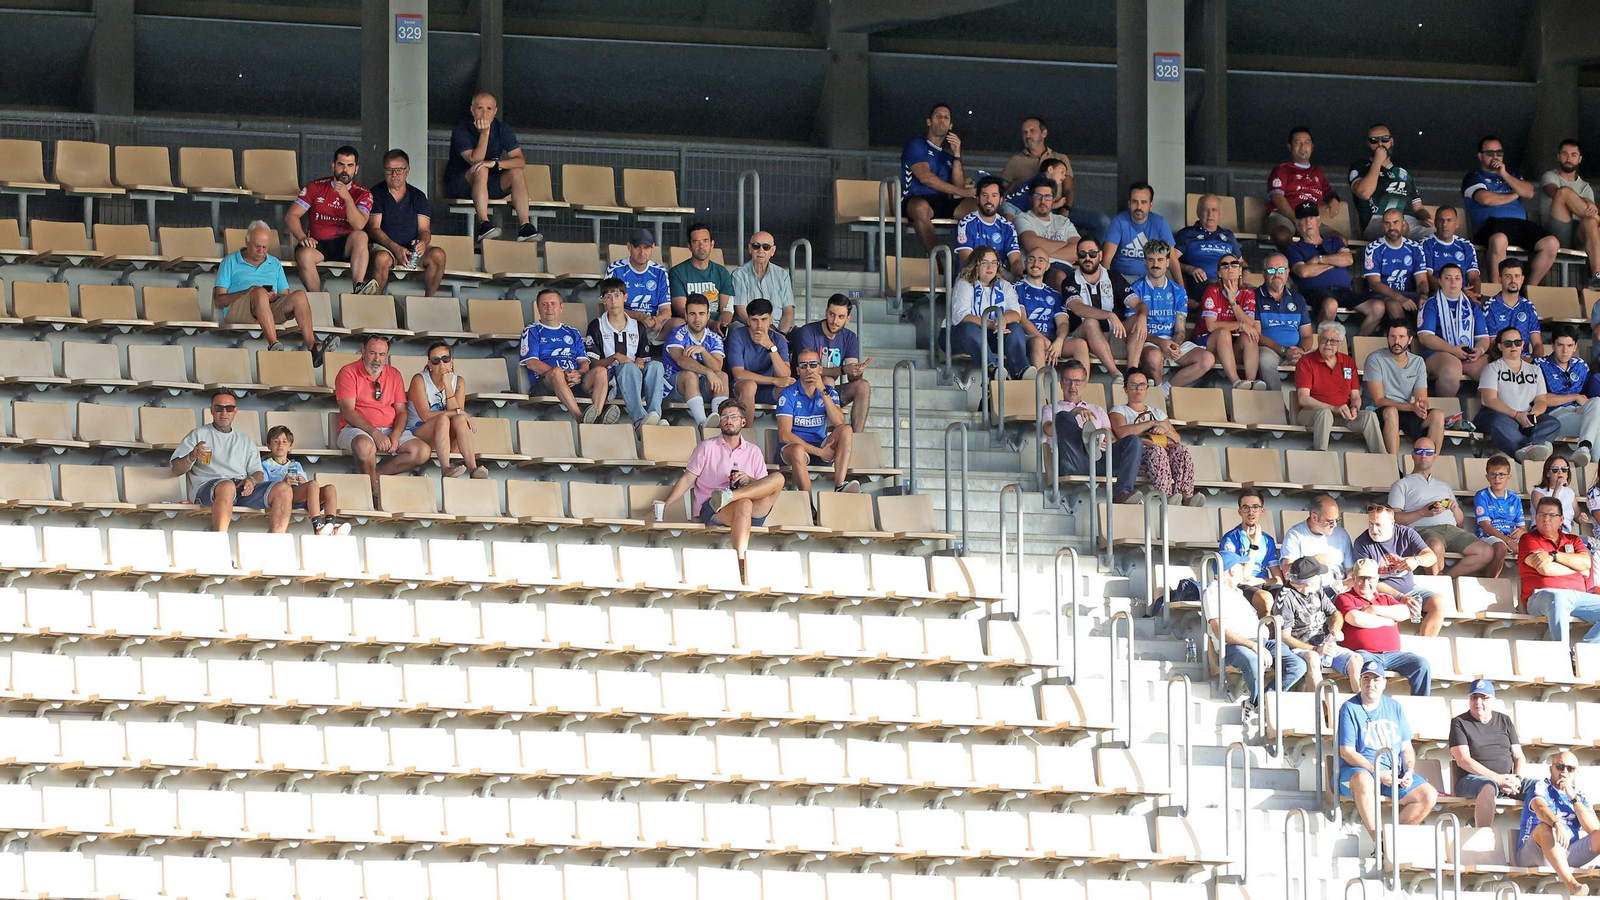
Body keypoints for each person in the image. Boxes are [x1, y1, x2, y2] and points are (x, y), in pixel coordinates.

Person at [660, 399, 785, 580]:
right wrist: (667, 502)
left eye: (734, 416)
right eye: (724, 416)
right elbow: (688, 478)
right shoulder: (706, 447)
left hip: (749, 506)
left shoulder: (754, 451)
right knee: (743, 504)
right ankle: (741, 564)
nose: (728, 420)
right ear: (720, 421)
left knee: (778, 478)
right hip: (713, 507)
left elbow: (764, 485)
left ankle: (730, 495)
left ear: (743, 421)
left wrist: (749, 480)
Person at [1338, 657, 1438, 844]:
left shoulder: (1394, 707)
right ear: (1360, 682)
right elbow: (1346, 751)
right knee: (1363, 779)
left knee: (1428, 795)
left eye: (1376, 680)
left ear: (1384, 683)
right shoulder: (1349, 708)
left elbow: (1406, 748)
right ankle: (1378, 841)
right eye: (1366, 679)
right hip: (1359, 772)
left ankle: (1390, 842)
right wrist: (1377, 771)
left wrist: (1409, 770)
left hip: (1392, 773)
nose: (1371, 684)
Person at [212, 220, 335, 365]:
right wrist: (247, 292)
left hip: (269, 308)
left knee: (299, 296)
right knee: (259, 292)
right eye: (257, 246)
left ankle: (313, 347)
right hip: (240, 309)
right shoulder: (230, 261)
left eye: (265, 247)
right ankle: (274, 344)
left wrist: (274, 297)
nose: (261, 251)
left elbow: (285, 294)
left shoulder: (275, 263)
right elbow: (218, 300)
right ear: (247, 241)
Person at [171, 390, 290, 534]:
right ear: (212, 411)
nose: (224, 412)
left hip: (240, 488)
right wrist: (191, 456)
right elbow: (176, 469)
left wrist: (251, 481)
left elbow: (258, 472)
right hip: (207, 488)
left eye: (229, 408)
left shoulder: (245, 440)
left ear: (235, 411)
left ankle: (275, 543)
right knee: (227, 486)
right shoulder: (198, 434)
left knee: (283, 489)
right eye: (219, 408)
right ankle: (220, 543)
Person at [1208, 552, 1304, 718]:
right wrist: (1253, 645)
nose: (1243, 570)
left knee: (1297, 665)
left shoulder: (1237, 592)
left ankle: (1259, 703)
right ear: (1232, 570)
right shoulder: (1213, 592)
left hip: (1262, 641)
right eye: (1240, 566)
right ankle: (1261, 706)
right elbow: (1220, 631)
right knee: (1254, 661)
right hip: (1235, 646)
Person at [334, 336, 431, 497]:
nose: (377, 359)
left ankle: (374, 479)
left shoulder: (394, 374)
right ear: (363, 352)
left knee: (422, 451)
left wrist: (395, 435)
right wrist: (375, 433)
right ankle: (373, 491)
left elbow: (401, 411)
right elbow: (348, 412)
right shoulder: (348, 372)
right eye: (372, 353)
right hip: (356, 429)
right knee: (364, 447)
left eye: (382, 354)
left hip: (390, 429)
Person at [1392, 437, 1502, 578]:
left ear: (1435, 456)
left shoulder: (1444, 485)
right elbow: (1394, 519)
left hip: (1453, 531)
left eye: (1429, 452)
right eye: (1419, 451)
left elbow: (1460, 523)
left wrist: (1455, 508)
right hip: (1423, 530)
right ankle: (1437, 586)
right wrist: (1422, 512)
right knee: (1435, 546)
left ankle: (1445, 579)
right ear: (1413, 455)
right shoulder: (1402, 484)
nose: (1424, 455)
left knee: (1486, 551)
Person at [1464, 135, 1560, 289]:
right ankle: (1497, 292)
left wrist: (1504, 174)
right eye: (1490, 153)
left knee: (1551, 243)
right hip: (1489, 225)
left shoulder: (1512, 175)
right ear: (1480, 156)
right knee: (1499, 239)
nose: (1495, 157)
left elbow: (1528, 192)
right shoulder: (1473, 177)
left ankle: (1529, 290)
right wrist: (1514, 195)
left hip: (1518, 225)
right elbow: (1486, 199)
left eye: (1499, 153)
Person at [444, 92, 541, 243]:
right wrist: (485, 133)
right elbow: (475, 160)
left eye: (489, 109)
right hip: (460, 183)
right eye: (480, 108)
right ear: (472, 110)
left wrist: (497, 164)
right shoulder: (461, 129)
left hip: (488, 182)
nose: (484, 113)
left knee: (516, 172)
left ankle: (525, 226)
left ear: (495, 111)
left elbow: (520, 161)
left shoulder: (503, 129)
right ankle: (483, 223)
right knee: (481, 168)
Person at [1043, 359, 1142, 503]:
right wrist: (1074, 412)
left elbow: (1111, 438)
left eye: (1077, 381)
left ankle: (1122, 493)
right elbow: (1048, 430)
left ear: (1084, 383)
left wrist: (1103, 439)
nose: (1072, 386)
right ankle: (1084, 441)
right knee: (1063, 418)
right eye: (1068, 380)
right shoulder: (1051, 408)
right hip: (1073, 461)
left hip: (1099, 460)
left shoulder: (1097, 409)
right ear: (1061, 383)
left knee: (1133, 440)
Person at [997, 116, 1108, 241]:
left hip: (1058, 208)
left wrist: (1066, 209)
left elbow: (1069, 189)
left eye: (1032, 131)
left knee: (1102, 221)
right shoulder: (1015, 161)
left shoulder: (1060, 159)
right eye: (1024, 132)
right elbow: (999, 189)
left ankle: (1090, 257)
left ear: (1044, 133)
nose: (1027, 135)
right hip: (1028, 211)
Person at [1334, 560, 1434, 697]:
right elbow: (1356, 619)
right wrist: (1388, 620)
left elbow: (1405, 612)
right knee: (1362, 666)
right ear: (1354, 578)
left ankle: (1420, 704)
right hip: (1363, 653)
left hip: (1393, 655)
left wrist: (1373, 609)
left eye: (1369, 579)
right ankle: (1365, 705)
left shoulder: (1386, 598)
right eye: (1361, 579)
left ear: (1377, 579)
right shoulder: (1344, 598)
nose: (1365, 583)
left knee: (1421, 665)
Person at [285, 145, 375, 295]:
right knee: (303, 255)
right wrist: (302, 237)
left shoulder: (363, 193)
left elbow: (358, 224)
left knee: (361, 236)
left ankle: (358, 287)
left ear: (356, 169)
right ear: (333, 166)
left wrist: (346, 197)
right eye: (341, 164)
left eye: (350, 165)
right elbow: (291, 216)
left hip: (345, 245)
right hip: (319, 243)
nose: (345, 170)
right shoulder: (315, 186)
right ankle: (320, 299)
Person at [1352, 504, 1447, 639]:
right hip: (1380, 594)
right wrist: (1400, 597)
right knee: (1394, 611)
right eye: (1371, 524)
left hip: (1410, 590)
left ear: (1392, 523)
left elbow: (1431, 557)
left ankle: (1427, 645)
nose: (1374, 529)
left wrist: (1416, 560)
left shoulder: (1406, 533)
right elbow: (1368, 582)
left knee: (1439, 603)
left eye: (1379, 525)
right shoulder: (1362, 543)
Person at [1273, 556, 1364, 693]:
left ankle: (1360, 705)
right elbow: (1284, 637)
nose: (1320, 578)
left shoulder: (1317, 590)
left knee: (1356, 659)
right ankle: (1320, 710)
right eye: (1318, 575)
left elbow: (1335, 614)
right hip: (1301, 648)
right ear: (1308, 582)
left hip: (1326, 644)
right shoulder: (1286, 597)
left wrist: (1335, 628)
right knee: (1313, 657)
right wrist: (1315, 649)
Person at [1130, 239, 1212, 391]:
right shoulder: (1135, 289)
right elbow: (1133, 330)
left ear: (1168, 262)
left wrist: (1174, 344)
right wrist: (1161, 343)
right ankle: (1159, 393)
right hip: (1147, 341)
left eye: (1160, 259)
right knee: (1154, 357)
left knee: (1207, 359)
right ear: (1145, 262)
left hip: (1172, 341)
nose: (1156, 264)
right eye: (1151, 259)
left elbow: (1180, 329)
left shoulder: (1179, 291)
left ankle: (1165, 391)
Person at [1295, 320, 1385, 454]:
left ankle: (1382, 458)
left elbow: (1355, 396)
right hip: (1311, 413)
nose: (1328, 344)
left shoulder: (1348, 361)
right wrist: (1332, 408)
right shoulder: (1306, 362)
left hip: (1342, 414)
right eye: (1324, 339)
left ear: (1340, 342)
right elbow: (1303, 399)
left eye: (1333, 341)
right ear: (1318, 339)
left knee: (1369, 416)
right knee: (1325, 414)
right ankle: (1321, 455)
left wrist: (1354, 408)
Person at [1110, 368, 1197, 506]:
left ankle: (1186, 495)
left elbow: (1176, 438)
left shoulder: (1157, 412)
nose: (1138, 389)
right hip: (1137, 459)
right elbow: (1122, 433)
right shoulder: (1119, 410)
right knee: (1157, 450)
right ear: (1126, 389)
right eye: (1133, 385)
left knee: (1182, 450)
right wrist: (1151, 424)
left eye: (1142, 385)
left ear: (1147, 388)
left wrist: (1164, 429)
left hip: (1162, 454)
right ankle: (1166, 495)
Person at [586, 276, 665, 428]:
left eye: (617, 295)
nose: (613, 301)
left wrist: (641, 360)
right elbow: (594, 363)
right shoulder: (597, 325)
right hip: (610, 382)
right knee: (628, 367)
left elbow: (644, 356)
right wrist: (615, 357)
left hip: (636, 380)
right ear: (603, 300)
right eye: (608, 297)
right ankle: (639, 419)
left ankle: (655, 415)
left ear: (625, 297)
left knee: (656, 365)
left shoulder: (637, 326)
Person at [777, 348, 858, 497]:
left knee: (846, 429)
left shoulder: (828, 392)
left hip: (820, 446)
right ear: (798, 370)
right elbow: (784, 435)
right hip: (793, 449)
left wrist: (822, 390)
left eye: (813, 364)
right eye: (803, 365)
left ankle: (839, 484)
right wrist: (820, 452)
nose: (808, 369)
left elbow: (839, 421)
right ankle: (808, 505)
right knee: (797, 450)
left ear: (820, 369)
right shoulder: (788, 394)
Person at [1450, 678, 1530, 828]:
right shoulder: (1459, 722)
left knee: (1540, 788)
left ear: (1493, 700)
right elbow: (1463, 760)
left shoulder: (1504, 720)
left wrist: (1517, 779)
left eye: (1484, 697)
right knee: (1488, 787)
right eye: (1474, 697)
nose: (1478, 702)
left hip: (1508, 780)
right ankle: (1483, 836)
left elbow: (1519, 756)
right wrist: (1497, 779)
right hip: (1472, 780)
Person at [1519, 495, 1600, 644]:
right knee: (1558, 598)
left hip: (1577, 597)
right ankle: (1562, 653)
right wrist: (1576, 568)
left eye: (1552, 515)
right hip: (1540, 597)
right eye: (1542, 514)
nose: (1546, 518)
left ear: (1561, 519)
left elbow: (1586, 563)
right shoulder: (1528, 539)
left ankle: (1580, 653)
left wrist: (1554, 556)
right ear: (1536, 517)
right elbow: (1546, 569)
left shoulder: (1573, 540)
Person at [519, 288, 608, 423]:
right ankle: (580, 417)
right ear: (538, 308)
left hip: (574, 381)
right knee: (556, 372)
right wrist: (560, 374)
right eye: (544, 304)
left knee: (601, 371)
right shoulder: (532, 330)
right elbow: (531, 362)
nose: (549, 308)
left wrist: (579, 373)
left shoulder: (572, 332)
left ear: (561, 307)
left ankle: (596, 417)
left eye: (553, 304)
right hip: (546, 383)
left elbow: (584, 361)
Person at [1063, 238, 1146, 381]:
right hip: (1083, 337)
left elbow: (1139, 304)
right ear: (1077, 257)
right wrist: (1110, 315)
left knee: (1137, 319)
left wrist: (1143, 316)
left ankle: (1132, 372)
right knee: (1091, 322)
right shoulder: (1070, 281)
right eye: (1082, 255)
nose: (1087, 258)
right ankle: (1115, 373)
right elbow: (1078, 308)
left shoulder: (1114, 278)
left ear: (1100, 255)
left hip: (1113, 336)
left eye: (1092, 254)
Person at [1516, 751, 1600, 893]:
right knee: (1545, 827)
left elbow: (1594, 829)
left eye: (1570, 769)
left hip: (1568, 852)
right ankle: (1571, 884)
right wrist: (1556, 824)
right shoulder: (1541, 787)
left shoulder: (1579, 796)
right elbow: (1540, 807)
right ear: (1551, 769)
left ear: (1576, 772)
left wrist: (1572, 797)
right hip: (1534, 853)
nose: (1564, 772)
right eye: (1560, 767)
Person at [366, 149, 445, 297]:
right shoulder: (375, 193)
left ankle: (428, 300)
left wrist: (422, 243)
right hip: (385, 247)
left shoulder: (418, 196)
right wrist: (395, 248)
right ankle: (374, 303)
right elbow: (374, 229)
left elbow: (425, 230)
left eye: (399, 170)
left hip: (411, 249)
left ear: (407, 171)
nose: (394, 174)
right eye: (389, 170)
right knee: (381, 258)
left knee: (438, 255)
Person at [900, 102, 975, 254]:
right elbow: (925, 178)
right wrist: (964, 192)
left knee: (975, 206)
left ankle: (969, 261)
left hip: (942, 202)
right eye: (938, 116)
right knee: (920, 208)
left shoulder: (948, 156)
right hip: (914, 199)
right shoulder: (916, 144)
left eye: (946, 118)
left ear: (950, 125)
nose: (942, 120)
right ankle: (936, 262)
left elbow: (959, 184)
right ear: (929, 121)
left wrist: (957, 155)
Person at [406, 340, 488, 479]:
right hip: (419, 434)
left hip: (446, 438)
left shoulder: (458, 381)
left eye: (445, 359)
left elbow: (458, 414)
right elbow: (426, 416)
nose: (442, 364)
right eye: (436, 360)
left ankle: (473, 469)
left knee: (459, 419)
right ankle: (446, 468)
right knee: (444, 418)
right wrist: (458, 411)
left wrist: (448, 386)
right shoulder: (419, 379)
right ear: (430, 364)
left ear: (451, 361)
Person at [1475, 325, 1558, 461]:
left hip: (1526, 417)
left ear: (1522, 345)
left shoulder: (1535, 370)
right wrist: (1516, 415)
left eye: (1517, 342)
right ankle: (1528, 456)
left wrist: (1532, 415)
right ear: (1500, 346)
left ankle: (1529, 447)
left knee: (1552, 422)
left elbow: (1541, 400)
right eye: (1508, 343)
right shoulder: (1492, 368)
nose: (1513, 346)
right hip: (1497, 415)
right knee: (1500, 423)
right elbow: (1490, 400)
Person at [792, 294, 873, 433]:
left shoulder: (850, 337)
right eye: (832, 314)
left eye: (841, 317)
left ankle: (856, 437)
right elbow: (809, 371)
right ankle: (826, 425)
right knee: (827, 379)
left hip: (830, 394)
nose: (835, 321)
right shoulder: (808, 332)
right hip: (804, 390)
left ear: (848, 319)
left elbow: (852, 376)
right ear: (826, 313)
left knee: (863, 386)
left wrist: (856, 371)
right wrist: (842, 370)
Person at [1365, 319, 1445, 454]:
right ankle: (1393, 465)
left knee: (1438, 415)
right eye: (1392, 336)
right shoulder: (1375, 359)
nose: (1396, 341)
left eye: (1401, 337)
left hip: (1407, 411)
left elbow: (1423, 398)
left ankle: (1430, 465)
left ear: (1409, 340)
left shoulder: (1418, 362)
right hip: (1380, 412)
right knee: (1391, 412)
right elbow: (1379, 400)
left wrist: (1421, 406)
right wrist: (1411, 407)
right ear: (1387, 338)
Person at [950, 245, 1027, 380]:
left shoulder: (1004, 285)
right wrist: (991, 324)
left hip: (993, 335)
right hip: (961, 337)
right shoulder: (964, 283)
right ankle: (993, 369)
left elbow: (1016, 313)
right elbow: (961, 316)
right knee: (970, 329)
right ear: (975, 264)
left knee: (1015, 327)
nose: (990, 267)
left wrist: (1004, 320)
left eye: (994, 263)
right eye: (984, 263)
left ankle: (1021, 371)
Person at [1416, 263, 1492, 398]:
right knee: (1451, 371)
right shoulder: (1431, 304)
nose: (1453, 282)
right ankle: (1444, 415)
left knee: (1493, 371)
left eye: (1457, 278)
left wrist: (1479, 350)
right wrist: (1453, 349)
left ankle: (1480, 414)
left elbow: (1483, 338)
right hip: (1437, 353)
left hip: (1466, 355)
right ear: (1439, 281)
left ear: (1462, 281)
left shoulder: (1472, 306)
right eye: (1448, 278)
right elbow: (1425, 337)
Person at [1348, 123, 1433, 241]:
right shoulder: (1360, 167)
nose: (1380, 144)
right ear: (1368, 144)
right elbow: (1364, 193)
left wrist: (1425, 216)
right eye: (1374, 141)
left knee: (1437, 236)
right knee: (1401, 227)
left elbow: (1418, 208)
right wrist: (1378, 160)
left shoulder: (1404, 173)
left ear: (1392, 141)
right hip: (1378, 220)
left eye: (1385, 139)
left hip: (1410, 220)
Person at [1285, 202, 1365, 326]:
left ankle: (1354, 344)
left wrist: (1318, 259)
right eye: (1303, 219)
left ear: (1319, 220)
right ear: (1297, 223)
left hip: (1344, 291)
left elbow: (1348, 260)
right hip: (1316, 292)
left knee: (1377, 307)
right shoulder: (1294, 248)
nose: (1308, 222)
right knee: (1331, 304)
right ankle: (1321, 342)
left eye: (1311, 218)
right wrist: (1335, 262)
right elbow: (1304, 271)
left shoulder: (1335, 241)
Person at [262, 424, 348, 536]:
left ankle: (331, 526)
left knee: (330, 489)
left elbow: (307, 484)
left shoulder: (295, 464)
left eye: (284, 442)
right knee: (312, 484)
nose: (280, 445)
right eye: (276, 441)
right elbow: (264, 488)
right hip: (285, 498)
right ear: (269, 445)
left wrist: (303, 481)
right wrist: (283, 483)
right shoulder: (265, 465)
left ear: (290, 447)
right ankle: (317, 526)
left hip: (301, 495)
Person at [1265, 126, 1342, 250]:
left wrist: (1334, 199)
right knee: (1282, 235)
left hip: (1310, 219)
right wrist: (1296, 219)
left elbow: (1329, 191)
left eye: (1307, 142)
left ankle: (1320, 266)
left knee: (1339, 241)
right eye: (1298, 142)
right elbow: (1277, 197)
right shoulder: (1282, 169)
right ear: (1290, 147)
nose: (1303, 147)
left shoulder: (1317, 172)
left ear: (1312, 147)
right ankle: (1291, 265)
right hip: (1285, 216)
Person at [1014, 247, 1084, 378]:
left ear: (1047, 266)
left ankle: (1082, 394)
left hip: (1052, 339)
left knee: (1080, 345)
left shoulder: (1054, 294)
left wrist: (1059, 340)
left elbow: (1063, 322)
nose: (1036, 264)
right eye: (1031, 259)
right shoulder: (1016, 288)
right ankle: (1041, 395)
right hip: (1028, 337)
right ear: (1025, 263)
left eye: (1041, 261)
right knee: (1038, 342)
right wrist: (1043, 339)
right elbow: (1022, 319)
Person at [1540, 138, 1600, 291]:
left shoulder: (1585, 187)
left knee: (1591, 222)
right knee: (1564, 193)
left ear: (1579, 159)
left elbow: (1590, 216)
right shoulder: (1550, 176)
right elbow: (1555, 192)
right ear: (1558, 156)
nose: (1568, 158)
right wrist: (1587, 202)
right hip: (1556, 232)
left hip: (1579, 235)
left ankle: (1597, 276)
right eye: (1565, 154)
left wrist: (1588, 205)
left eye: (1573, 155)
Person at [1197, 251, 1262, 391]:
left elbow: (1250, 324)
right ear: (1219, 273)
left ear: (1240, 270)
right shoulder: (1212, 290)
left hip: (1232, 346)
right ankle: (1236, 382)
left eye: (1234, 264)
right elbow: (1211, 326)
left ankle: (1251, 382)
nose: (1230, 268)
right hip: (1209, 343)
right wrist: (1240, 325)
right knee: (1223, 333)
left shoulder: (1248, 292)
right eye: (1224, 265)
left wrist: (1233, 300)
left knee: (1250, 335)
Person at [663, 293, 729, 427]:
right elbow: (681, 361)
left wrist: (703, 351)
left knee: (722, 376)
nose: (697, 318)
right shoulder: (677, 333)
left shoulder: (714, 338)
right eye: (692, 314)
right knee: (689, 375)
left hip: (700, 387)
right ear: (686, 315)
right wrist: (708, 372)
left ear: (708, 315)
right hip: (673, 387)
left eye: (701, 314)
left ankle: (718, 424)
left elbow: (717, 367)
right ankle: (702, 424)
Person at [1361, 208, 1429, 335]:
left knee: (1429, 304)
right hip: (1380, 294)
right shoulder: (1373, 248)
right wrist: (1400, 298)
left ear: (1403, 224)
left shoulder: (1415, 248)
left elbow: (1422, 281)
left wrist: (1423, 296)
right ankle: (1405, 342)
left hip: (1407, 294)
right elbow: (1375, 284)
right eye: (1387, 223)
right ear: (1382, 227)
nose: (1392, 227)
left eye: (1396, 222)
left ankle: (1423, 343)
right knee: (1394, 304)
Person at [1253, 252, 1313, 392]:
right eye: (1271, 270)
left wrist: (1301, 351)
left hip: (1296, 350)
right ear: (1263, 273)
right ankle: (1277, 406)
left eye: (1281, 270)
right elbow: (1256, 335)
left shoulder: (1298, 299)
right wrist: (1283, 350)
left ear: (1287, 273)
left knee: (1324, 357)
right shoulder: (1254, 297)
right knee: (1264, 359)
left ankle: (1313, 406)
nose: (1276, 274)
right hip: (1270, 349)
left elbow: (1307, 335)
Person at [1540, 327, 1600, 467]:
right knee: (1596, 425)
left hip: (1578, 411)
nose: (1565, 350)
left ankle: (1584, 448)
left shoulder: (1580, 365)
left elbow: (1589, 398)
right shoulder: (1540, 365)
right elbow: (1540, 398)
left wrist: (1580, 399)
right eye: (1560, 345)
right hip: (1554, 416)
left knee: (1597, 402)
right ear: (1553, 345)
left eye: (1569, 345)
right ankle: (1594, 463)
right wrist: (1574, 397)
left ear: (1575, 346)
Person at [607, 227, 678, 345]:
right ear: (629, 247)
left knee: (678, 325)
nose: (642, 253)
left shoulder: (660, 272)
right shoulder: (616, 269)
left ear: (653, 247)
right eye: (637, 247)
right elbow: (608, 306)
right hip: (623, 323)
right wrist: (639, 316)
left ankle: (672, 361)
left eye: (646, 248)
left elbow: (666, 310)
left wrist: (657, 320)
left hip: (651, 326)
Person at [727, 297, 792, 425]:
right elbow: (739, 374)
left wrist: (770, 347)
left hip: (767, 390)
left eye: (764, 320)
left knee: (789, 388)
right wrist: (773, 380)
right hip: (742, 388)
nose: (760, 325)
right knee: (750, 385)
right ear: (748, 321)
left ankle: (789, 435)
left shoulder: (778, 340)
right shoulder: (738, 336)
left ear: (771, 320)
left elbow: (785, 375)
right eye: (755, 320)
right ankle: (747, 434)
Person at [1102, 182, 1180, 281]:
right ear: (1129, 204)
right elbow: (1107, 258)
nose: (1139, 207)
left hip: (1151, 280)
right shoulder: (1119, 221)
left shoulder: (1160, 223)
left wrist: (1182, 292)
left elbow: (1172, 260)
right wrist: (1105, 286)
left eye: (1143, 202)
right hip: (1122, 279)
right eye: (1135, 202)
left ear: (1150, 205)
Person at [1013, 175, 1080, 289]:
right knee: (1059, 276)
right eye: (1038, 196)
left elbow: (1080, 250)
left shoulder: (1063, 221)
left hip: (1067, 268)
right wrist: (1067, 245)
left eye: (1047, 197)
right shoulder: (1022, 218)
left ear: (1054, 199)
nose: (1043, 201)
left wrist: (1041, 254)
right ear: (1030, 198)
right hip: (1038, 269)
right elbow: (1032, 244)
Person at [1221, 489, 1282, 616]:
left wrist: (1260, 581)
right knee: (1265, 598)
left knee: (1288, 596)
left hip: (1261, 583)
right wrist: (1253, 546)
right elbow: (1241, 578)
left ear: (1262, 511)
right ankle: (1264, 635)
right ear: (1240, 512)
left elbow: (1279, 580)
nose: (1251, 512)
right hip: (1240, 586)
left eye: (1255, 507)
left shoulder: (1267, 540)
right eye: (1246, 508)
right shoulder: (1231, 538)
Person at [1281, 493, 1355, 595]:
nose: (1335, 525)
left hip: (1340, 592)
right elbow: (1287, 573)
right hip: (1310, 593)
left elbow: (1350, 569)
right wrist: (1312, 561)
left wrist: (1350, 579)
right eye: (1330, 521)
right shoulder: (1295, 535)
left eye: (1337, 520)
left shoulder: (1341, 534)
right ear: (1314, 517)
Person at [669, 223, 735, 334]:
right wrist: (711, 324)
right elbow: (682, 311)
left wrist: (721, 324)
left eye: (705, 241)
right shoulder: (677, 272)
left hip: (718, 326)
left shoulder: (722, 272)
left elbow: (727, 309)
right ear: (689, 246)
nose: (701, 246)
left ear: (712, 244)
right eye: (696, 242)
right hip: (689, 327)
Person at [1174, 194, 1243, 295]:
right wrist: (1189, 268)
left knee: (1252, 293)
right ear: (1198, 213)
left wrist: (1243, 276)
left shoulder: (1228, 236)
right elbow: (1170, 261)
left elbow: (1241, 262)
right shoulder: (1186, 234)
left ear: (1220, 214)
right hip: (1202, 283)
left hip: (1229, 282)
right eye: (1206, 210)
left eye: (1214, 210)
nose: (1210, 214)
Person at [955, 176, 1023, 275]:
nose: (989, 200)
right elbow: (967, 261)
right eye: (984, 195)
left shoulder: (1008, 227)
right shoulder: (966, 224)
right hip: (971, 278)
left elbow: (1015, 260)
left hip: (999, 277)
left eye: (994, 195)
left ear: (1001, 200)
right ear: (977, 199)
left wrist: (1017, 278)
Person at [731, 232, 795, 333]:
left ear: (772, 251)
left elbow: (788, 311)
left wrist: (781, 333)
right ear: (750, 248)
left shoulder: (782, 275)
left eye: (766, 247)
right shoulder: (739, 275)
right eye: (756, 246)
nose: (761, 250)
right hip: (748, 328)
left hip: (778, 329)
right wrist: (763, 329)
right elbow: (741, 312)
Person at [1474, 455, 1527, 575]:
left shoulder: (1515, 499)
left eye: (1501, 474)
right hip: (1488, 536)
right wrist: (1508, 541)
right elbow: (1485, 525)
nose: (1497, 478)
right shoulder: (1482, 495)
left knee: (1535, 548)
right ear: (1487, 477)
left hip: (1511, 537)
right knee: (1500, 548)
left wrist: (1522, 531)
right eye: (1493, 474)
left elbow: (1522, 527)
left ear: (1509, 477)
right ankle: (1491, 582)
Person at [1482, 259, 1544, 357]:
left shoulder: (1528, 306)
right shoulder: (1490, 307)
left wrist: (1535, 362)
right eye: (1508, 276)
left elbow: (1537, 344)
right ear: (1500, 279)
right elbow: (1493, 346)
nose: (1513, 281)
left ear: (1522, 279)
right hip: (1500, 361)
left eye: (1517, 276)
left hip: (1526, 361)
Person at [1420, 206, 1482, 300]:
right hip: (1438, 295)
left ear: (1457, 223)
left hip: (1465, 295)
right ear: (1435, 223)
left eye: (1449, 220)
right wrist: (1455, 293)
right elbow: (1427, 277)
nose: (1445, 224)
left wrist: (1475, 297)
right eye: (1441, 220)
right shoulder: (1425, 244)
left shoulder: (1466, 245)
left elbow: (1474, 277)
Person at [1534, 454, 1590, 534]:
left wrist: (1581, 518)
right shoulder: (1538, 492)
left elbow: (1577, 516)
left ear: (1567, 474)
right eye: (1555, 469)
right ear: (1547, 473)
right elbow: (1548, 511)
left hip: (1564, 532)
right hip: (1543, 532)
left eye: (1564, 469)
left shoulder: (1569, 492)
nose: (1560, 472)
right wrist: (1557, 489)